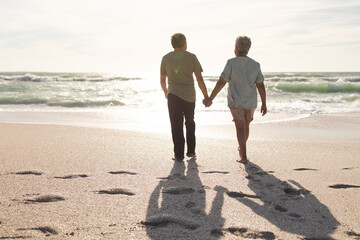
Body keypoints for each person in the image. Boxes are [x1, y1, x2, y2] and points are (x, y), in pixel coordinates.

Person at [204, 36, 267, 164]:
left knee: (239, 127)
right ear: (248, 49)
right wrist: (264, 103)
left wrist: (211, 98)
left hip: (236, 100)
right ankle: (242, 149)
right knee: (246, 125)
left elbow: (222, 81)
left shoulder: (231, 63)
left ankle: (243, 156)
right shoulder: (255, 64)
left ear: (236, 49)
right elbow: (260, 84)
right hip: (250, 101)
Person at [160, 33, 209, 161]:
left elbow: (162, 80)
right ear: (184, 44)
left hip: (173, 95)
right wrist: (206, 96)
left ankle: (178, 155)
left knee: (176, 125)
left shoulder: (165, 58)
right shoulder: (192, 57)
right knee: (190, 122)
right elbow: (199, 79)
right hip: (189, 96)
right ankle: (191, 152)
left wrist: (166, 92)